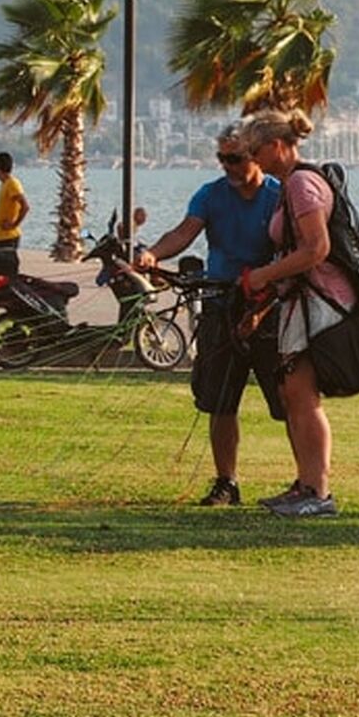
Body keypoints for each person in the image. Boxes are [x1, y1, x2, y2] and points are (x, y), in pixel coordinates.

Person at [134, 125, 283, 507]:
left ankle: (307, 482)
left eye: (234, 158)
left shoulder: (278, 197)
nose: (227, 166)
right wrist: (153, 254)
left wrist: (262, 304)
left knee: (289, 400)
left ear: (256, 156)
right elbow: (184, 233)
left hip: (269, 306)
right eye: (221, 158)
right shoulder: (211, 195)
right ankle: (226, 482)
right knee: (220, 400)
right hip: (220, 305)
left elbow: (290, 255)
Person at [240, 108, 348, 518]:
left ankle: (318, 492)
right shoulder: (291, 184)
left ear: (276, 146)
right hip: (297, 300)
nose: (252, 159)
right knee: (292, 393)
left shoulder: (302, 184)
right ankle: (306, 483)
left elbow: (316, 248)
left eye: (255, 149)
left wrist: (263, 275)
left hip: (318, 299)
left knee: (303, 395)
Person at [0, 152, 28, 258]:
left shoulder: (12, 183)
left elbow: (25, 206)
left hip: (8, 237)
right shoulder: (4, 184)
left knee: (5, 271)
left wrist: (14, 224)